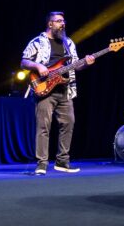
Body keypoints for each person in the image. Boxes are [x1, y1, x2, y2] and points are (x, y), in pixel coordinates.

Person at [20, 12, 95, 175]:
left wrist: (86, 63)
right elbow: (24, 61)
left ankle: (62, 162)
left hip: (65, 89)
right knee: (43, 127)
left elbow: (76, 65)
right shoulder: (38, 42)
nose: (63, 24)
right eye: (58, 21)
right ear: (50, 24)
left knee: (69, 123)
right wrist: (38, 66)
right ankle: (41, 164)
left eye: (63, 21)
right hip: (45, 89)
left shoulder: (69, 43)